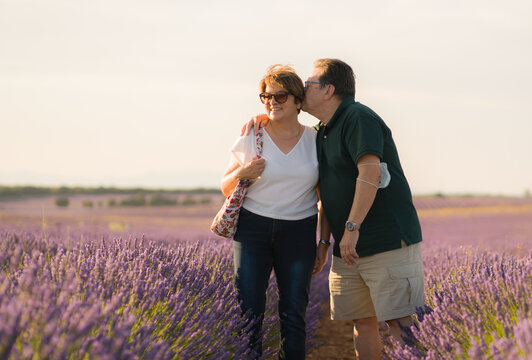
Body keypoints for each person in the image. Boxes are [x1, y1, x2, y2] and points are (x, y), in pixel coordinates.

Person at [245, 59, 425, 360]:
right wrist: (326, 241)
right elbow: (325, 191)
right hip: (348, 247)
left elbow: (370, 172)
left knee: (400, 322)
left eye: (309, 83)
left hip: (386, 241)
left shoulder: (358, 117)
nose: (303, 88)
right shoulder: (323, 130)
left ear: (328, 90)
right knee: (363, 322)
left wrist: (352, 228)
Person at [221, 64, 321, 359]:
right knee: (248, 314)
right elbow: (225, 187)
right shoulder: (252, 134)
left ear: (298, 101)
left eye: (280, 96)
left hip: (299, 231)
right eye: (265, 96)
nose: (272, 102)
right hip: (253, 230)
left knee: (293, 315)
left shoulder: (316, 141)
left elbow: (323, 195)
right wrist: (243, 172)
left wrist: (324, 242)